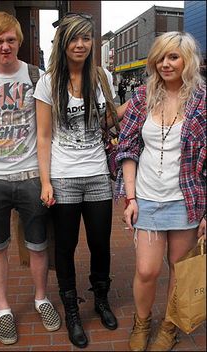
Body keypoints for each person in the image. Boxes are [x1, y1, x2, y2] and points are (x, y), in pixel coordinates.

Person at [33, 12, 128, 349]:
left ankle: (100, 298)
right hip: (64, 177)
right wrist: (46, 181)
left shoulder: (101, 77)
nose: (81, 44)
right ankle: (72, 309)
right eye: (74, 38)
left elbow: (106, 122)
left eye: (86, 38)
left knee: (101, 243)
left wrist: (134, 104)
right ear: (63, 43)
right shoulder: (49, 82)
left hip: (98, 175)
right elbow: (43, 137)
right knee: (66, 246)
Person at [0, 11, 61, 345]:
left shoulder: (37, 76)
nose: (5, 46)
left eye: (10, 40)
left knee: (38, 244)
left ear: (19, 41)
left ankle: (41, 298)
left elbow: (45, 132)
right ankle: (3, 309)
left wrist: (47, 178)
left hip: (29, 176)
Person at [115, 31, 206, 351]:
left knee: (180, 270)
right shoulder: (142, 96)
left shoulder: (203, 100)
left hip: (187, 200)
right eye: (161, 57)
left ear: (187, 61)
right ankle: (143, 322)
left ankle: (169, 325)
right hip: (147, 198)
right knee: (146, 269)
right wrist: (130, 197)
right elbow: (126, 147)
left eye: (174, 57)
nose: (166, 64)